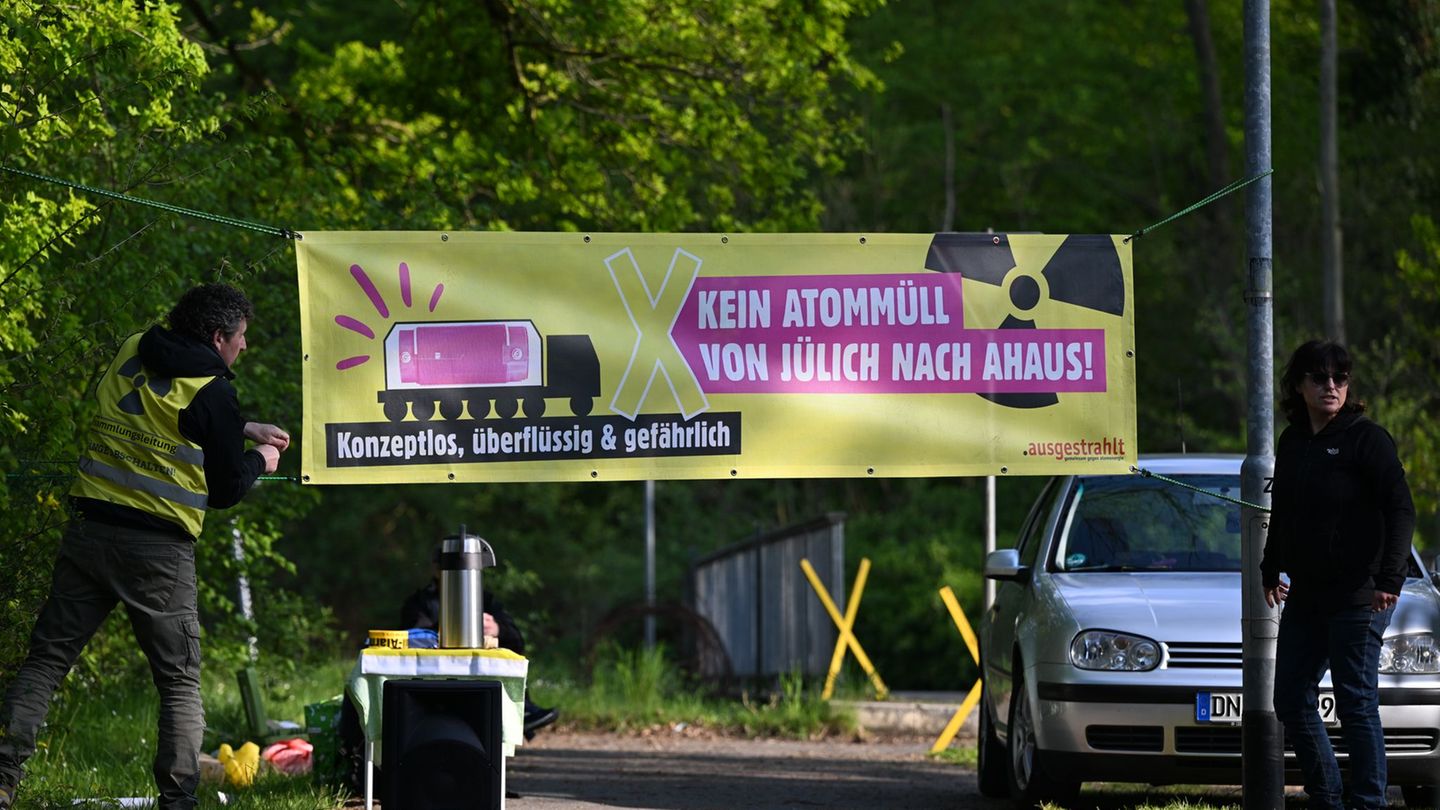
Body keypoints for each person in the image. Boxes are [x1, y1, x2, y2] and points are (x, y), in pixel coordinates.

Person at [0, 283, 289, 810]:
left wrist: (241, 427)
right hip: (158, 551)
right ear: (219, 336)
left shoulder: (134, 346)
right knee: (179, 682)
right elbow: (224, 490)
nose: (245, 347)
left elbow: (158, 408)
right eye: (242, 337)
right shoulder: (214, 390)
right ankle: (177, 802)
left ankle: (1, 779)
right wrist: (261, 461)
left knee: (44, 663)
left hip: (88, 530)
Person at [1261, 339, 1416, 810]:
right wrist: (1271, 566)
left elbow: (1401, 508)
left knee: (1355, 703)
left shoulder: (1367, 439)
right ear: (1299, 386)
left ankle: (1369, 802)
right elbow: (1282, 509)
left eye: (1340, 378)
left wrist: (1390, 578)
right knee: (1289, 697)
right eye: (1320, 378)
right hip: (1307, 595)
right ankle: (1327, 796)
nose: (1331, 386)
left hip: (1360, 596)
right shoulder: (1292, 442)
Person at [398, 547, 560, 737]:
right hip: (437, 681)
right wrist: (455, 625)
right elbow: (415, 637)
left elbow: (516, 640)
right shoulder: (420, 603)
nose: (461, 571)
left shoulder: (485, 600)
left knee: (506, 651)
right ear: (436, 569)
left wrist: (497, 628)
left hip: (482, 677)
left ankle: (521, 709)